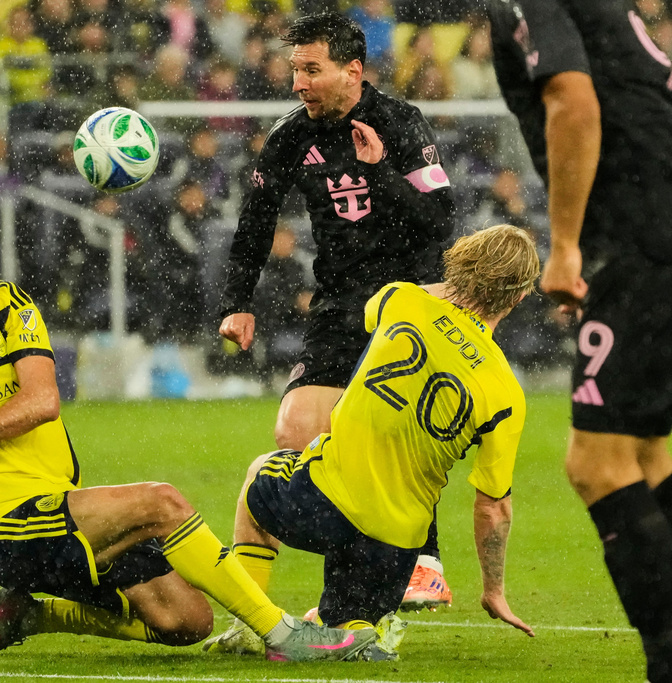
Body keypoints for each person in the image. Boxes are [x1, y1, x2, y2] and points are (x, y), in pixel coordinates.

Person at [0, 200, 378, 663]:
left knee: (184, 623)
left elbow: (42, 401)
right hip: (4, 529)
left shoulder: (6, 306)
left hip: (60, 506)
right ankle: (282, 636)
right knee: (163, 501)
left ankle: (36, 611)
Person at [208, 224, 539, 657]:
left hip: (324, 504)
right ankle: (355, 626)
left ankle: (251, 627)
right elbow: (493, 508)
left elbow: (376, 312)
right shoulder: (506, 394)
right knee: (347, 627)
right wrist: (493, 589)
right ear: (517, 299)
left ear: (460, 265)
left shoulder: (401, 299)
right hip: (395, 549)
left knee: (260, 472)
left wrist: (459, 284)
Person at [217, 11, 456, 608]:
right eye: (295, 69)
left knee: (387, 438)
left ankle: (418, 565)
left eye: (310, 70)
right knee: (294, 432)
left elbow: (439, 219)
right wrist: (239, 302)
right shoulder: (291, 135)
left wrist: (381, 175)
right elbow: (256, 219)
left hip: (406, 305)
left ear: (353, 69)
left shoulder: (402, 123)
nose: (298, 83)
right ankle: (377, 564)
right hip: (340, 304)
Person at [485, 2, 672, 680]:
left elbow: (572, 98)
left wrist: (564, 245)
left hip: (639, 237)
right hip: (657, 227)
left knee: (597, 464)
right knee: (645, 455)